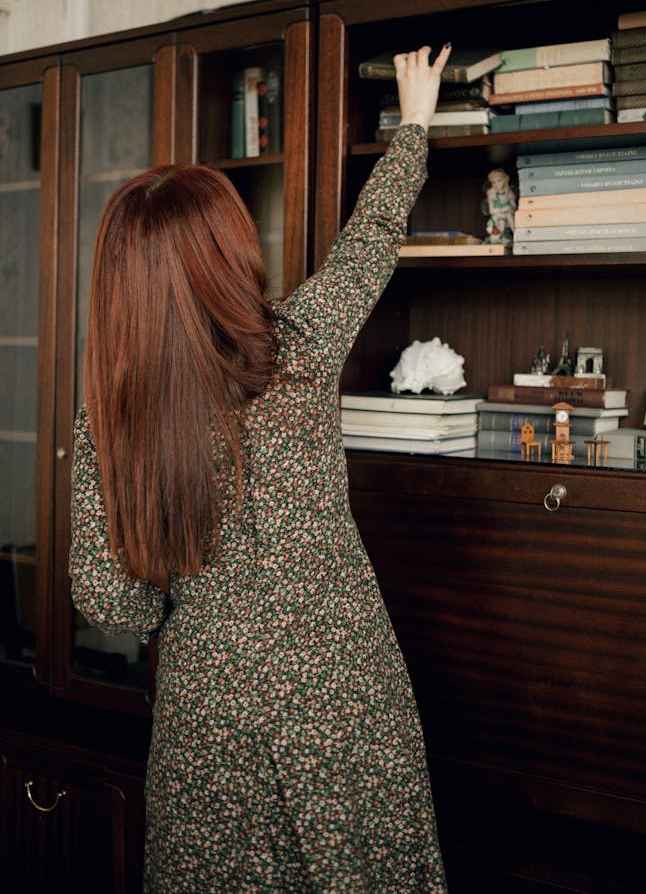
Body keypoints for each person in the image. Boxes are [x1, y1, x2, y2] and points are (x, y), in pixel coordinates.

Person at [69, 44, 452, 893]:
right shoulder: (300, 349)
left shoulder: (109, 416)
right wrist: (414, 124)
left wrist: (178, 587)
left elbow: (113, 602)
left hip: (208, 719)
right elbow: (369, 246)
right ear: (225, 258)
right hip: (344, 691)